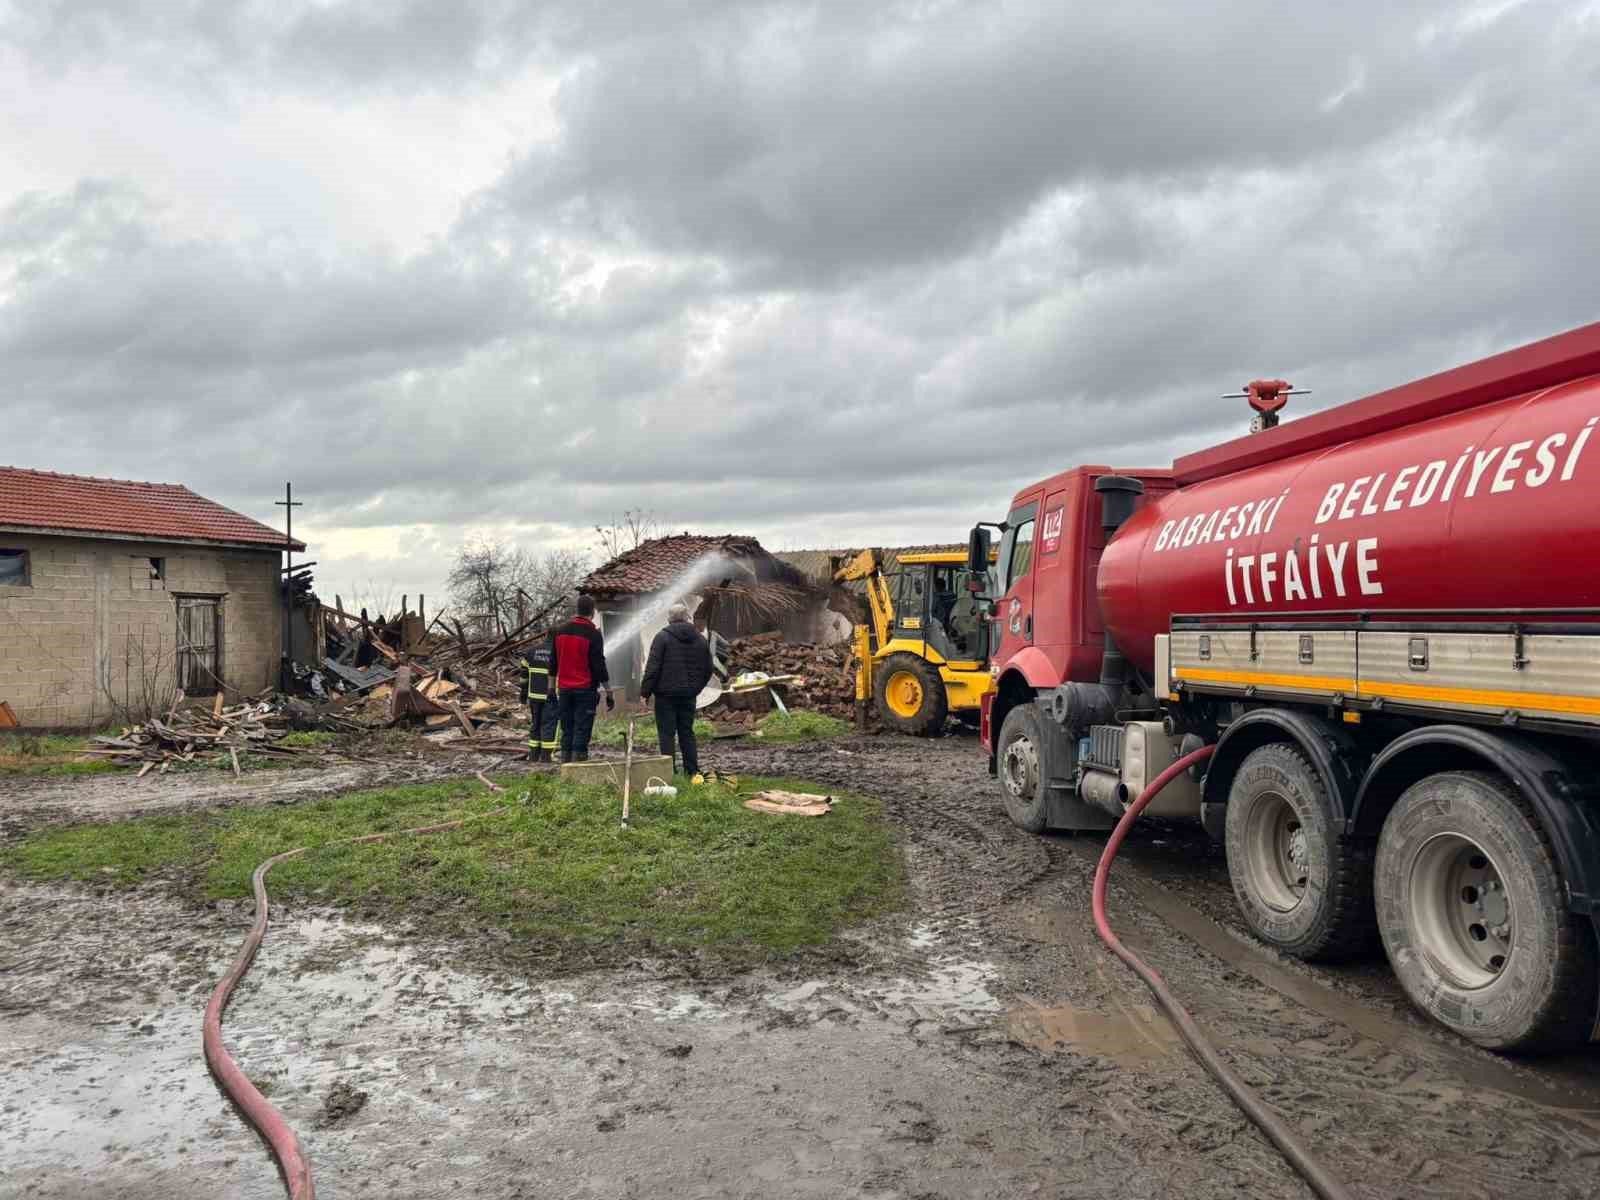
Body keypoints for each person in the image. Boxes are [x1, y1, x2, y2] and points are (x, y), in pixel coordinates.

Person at [640, 603, 713, 777]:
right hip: (688, 695)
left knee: (666, 734)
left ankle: (668, 772)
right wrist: (696, 688)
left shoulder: (662, 637)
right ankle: (692, 771)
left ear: (669, 619)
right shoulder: (701, 639)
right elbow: (708, 669)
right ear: (687, 617)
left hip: (665, 696)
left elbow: (653, 667)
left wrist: (645, 692)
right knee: (687, 732)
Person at [550, 594, 613, 762]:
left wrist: (551, 689)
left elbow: (553, 663)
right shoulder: (593, 634)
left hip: (563, 689)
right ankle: (578, 764)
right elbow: (599, 665)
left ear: (577, 609)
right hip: (585, 689)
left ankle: (565, 763)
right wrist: (609, 691)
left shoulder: (559, 631)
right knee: (582, 727)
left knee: (567, 727)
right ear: (592, 612)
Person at [518, 640, 559, 762]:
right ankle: (547, 756)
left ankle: (534, 755)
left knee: (535, 724)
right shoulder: (558, 652)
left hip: (534, 696)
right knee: (549, 725)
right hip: (550, 696)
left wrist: (523, 696)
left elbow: (523, 676)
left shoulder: (531, 651)